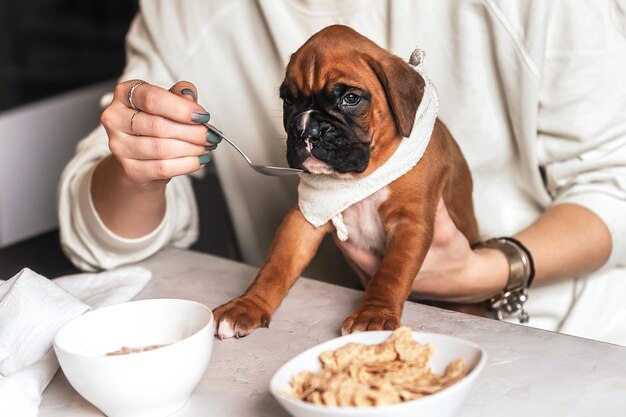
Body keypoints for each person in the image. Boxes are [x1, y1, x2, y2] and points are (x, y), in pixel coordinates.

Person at [58, 0, 626, 345]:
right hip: (322, 336)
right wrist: (137, 168)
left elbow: (614, 182)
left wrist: (482, 273)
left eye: (348, 101)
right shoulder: (183, 13)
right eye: (293, 107)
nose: (309, 130)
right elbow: (100, 244)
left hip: (567, 333)